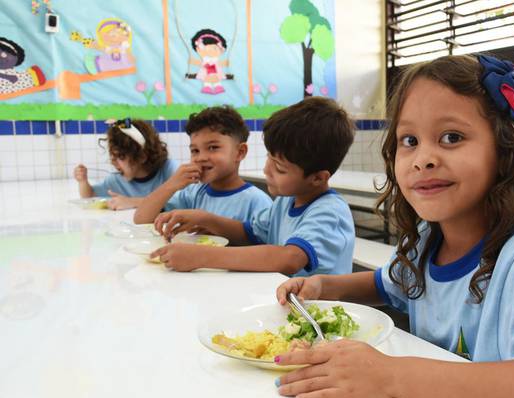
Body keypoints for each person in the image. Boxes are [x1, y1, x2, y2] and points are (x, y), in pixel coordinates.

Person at [272, 54, 514, 398]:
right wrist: (323, 286)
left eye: (451, 137)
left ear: (504, 150)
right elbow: (383, 284)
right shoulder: (429, 240)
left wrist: (390, 375)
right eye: (409, 141)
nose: (423, 158)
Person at [149, 97, 356, 276]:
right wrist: (203, 218)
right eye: (269, 158)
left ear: (318, 178)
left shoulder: (329, 211)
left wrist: (202, 256)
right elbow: (248, 232)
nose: (267, 170)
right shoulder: (286, 201)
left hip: (317, 315)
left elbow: (290, 258)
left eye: (279, 168)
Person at [134, 106, 270, 224]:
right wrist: (172, 184)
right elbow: (141, 219)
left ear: (240, 152)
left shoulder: (257, 202)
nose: (201, 158)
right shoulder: (193, 194)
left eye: (213, 147)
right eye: (195, 151)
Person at [73, 118, 177, 210]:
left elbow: (179, 202)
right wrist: (83, 181)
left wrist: (132, 202)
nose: (114, 163)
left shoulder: (168, 170)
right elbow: (90, 195)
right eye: (113, 157)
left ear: (141, 156)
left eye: (120, 157)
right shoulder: (117, 180)